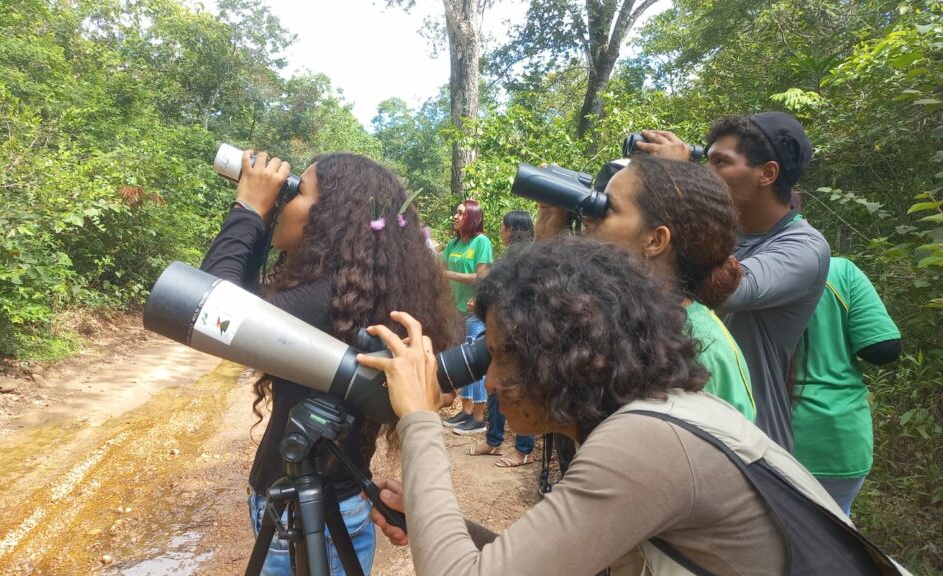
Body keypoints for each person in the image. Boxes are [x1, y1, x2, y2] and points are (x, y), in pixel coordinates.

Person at [358, 238, 909, 576]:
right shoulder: (653, 415)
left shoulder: (648, 443)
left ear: (567, 359)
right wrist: (443, 524)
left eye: (504, 357)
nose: (493, 382)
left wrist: (419, 417)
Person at [199, 149, 459, 575]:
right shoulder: (358, 295)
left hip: (299, 517)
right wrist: (263, 220)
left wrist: (248, 208)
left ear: (329, 218)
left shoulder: (318, 300)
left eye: (296, 193)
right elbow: (242, 315)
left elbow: (210, 311)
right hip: (344, 504)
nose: (283, 201)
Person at [635, 112, 831, 451]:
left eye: (720, 163)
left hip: (748, 438)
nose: (707, 175)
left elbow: (724, 290)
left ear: (767, 173)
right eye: (704, 161)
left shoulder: (805, 247)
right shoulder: (723, 234)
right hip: (683, 417)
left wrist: (679, 181)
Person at [537, 157, 756, 420]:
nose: (588, 219)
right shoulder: (630, 320)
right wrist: (547, 241)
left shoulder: (697, 346)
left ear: (655, 240)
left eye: (607, 208)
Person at [792, 257, 901, 516]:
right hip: (839, 438)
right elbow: (883, 349)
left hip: (761, 432)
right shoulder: (839, 271)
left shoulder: (736, 274)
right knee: (835, 536)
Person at [467, 210, 537, 466]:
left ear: (512, 230)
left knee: (518, 390)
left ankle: (524, 449)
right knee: (495, 387)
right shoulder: (510, 257)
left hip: (521, 335)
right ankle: (494, 441)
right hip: (505, 333)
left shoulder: (530, 259)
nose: (501, 230)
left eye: (504, 227)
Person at [440, 199, 493, 434]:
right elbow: (436, 266)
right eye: (455, 213)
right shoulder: (453, 243)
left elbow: (481, 277)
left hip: (473, 311)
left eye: (460, 213)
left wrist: (449, 274)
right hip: (456, 310)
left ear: (471, 217)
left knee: (475, 362)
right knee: (462, 361)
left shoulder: (481, 242)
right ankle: (467, 410)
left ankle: (480, 417)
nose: (455, 216)